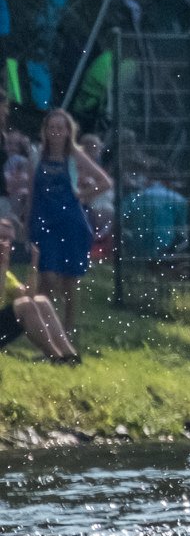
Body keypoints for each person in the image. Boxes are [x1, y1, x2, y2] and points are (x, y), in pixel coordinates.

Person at [23, 108, 110, 333]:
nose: (55, 132)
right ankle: (42, 329)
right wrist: (27, 224)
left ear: (67, 131)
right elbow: (32, 193)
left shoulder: (74, 156)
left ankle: (67, 331)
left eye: (60, 128)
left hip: (71, 223)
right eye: (51, 127)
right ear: (45, 130)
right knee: (48, 277)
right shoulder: (37, 156)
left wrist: (82, 194)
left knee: (69, 283)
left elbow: (105, 182)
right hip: (44, 222)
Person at [0, 214, 80, 363]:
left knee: (40, 300)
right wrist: (3, 265)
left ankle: (69, 355)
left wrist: (34, 265)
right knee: (25, 306)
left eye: (10, 240)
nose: (6, 243)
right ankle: (55, 357)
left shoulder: (6, 272)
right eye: (2, 238)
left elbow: (28, 296)